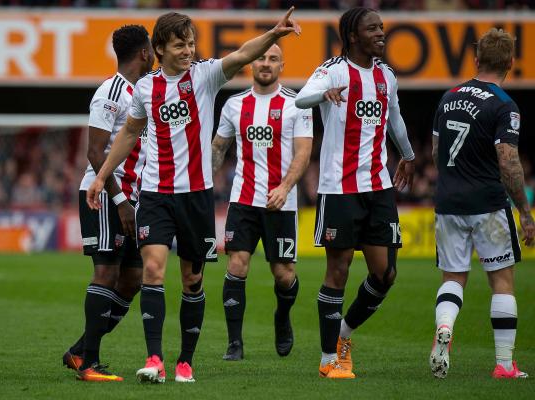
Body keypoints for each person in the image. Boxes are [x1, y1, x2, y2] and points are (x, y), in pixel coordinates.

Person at [86, 9, 301, 384]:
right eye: (179, 45)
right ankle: (154, 359)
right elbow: (130, 133)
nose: (188, 50)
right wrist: (102, 175)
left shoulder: (204, 75)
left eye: (191, 43)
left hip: (196, 197)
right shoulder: (146, 88)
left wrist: (272, 34)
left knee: (191, 281)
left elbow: (243, 54)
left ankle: (185, 361)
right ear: (159, 48)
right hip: (154, 194)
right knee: (152, 270)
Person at [295, 7, 415, 379]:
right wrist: (324, 94)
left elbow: (394, 118)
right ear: (352, 36)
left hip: (378, 187)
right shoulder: (333, 69)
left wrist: (408, 155)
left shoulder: (386, 75)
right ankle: (328, 360)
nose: (382, 33)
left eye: (381, 27)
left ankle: (343, 334)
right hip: (340, 188)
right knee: (338, 270)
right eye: (373, 28)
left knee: (385, 274)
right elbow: (301, 98)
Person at [429, 28, 535, 380]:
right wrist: (524, 211)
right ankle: (504, 364)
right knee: (502, 281)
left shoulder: (447, 97)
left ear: (475, 60)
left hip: (448, 200)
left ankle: (444, 328)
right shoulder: (504, 105)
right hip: (488, 203)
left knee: (453, 277)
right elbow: (508, 161)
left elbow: (435, 152)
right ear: (510, 63)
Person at [62, 24, 155, 382]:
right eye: (152, 49)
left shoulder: (143, 91)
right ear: (144, 53)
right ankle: (89, 365)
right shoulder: (111, 91)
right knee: (106, 272)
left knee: (132, 278)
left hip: (133, 199)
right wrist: (118, 200)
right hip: (104, 197)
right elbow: (94, 151)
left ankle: (79, 351)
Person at [211, 44, 312, 361]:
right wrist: (199, 181)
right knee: (237, 265)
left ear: (282, 65)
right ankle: (234, 343)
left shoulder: (297, 104)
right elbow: (218, 148)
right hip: (242, 199)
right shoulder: (234, 105)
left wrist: (284, 186)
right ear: (250, 65)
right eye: (260, 59)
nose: (265, 64)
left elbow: (303, 152)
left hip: (281, 201)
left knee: (283, 274)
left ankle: (282, 318)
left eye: (272, 59)